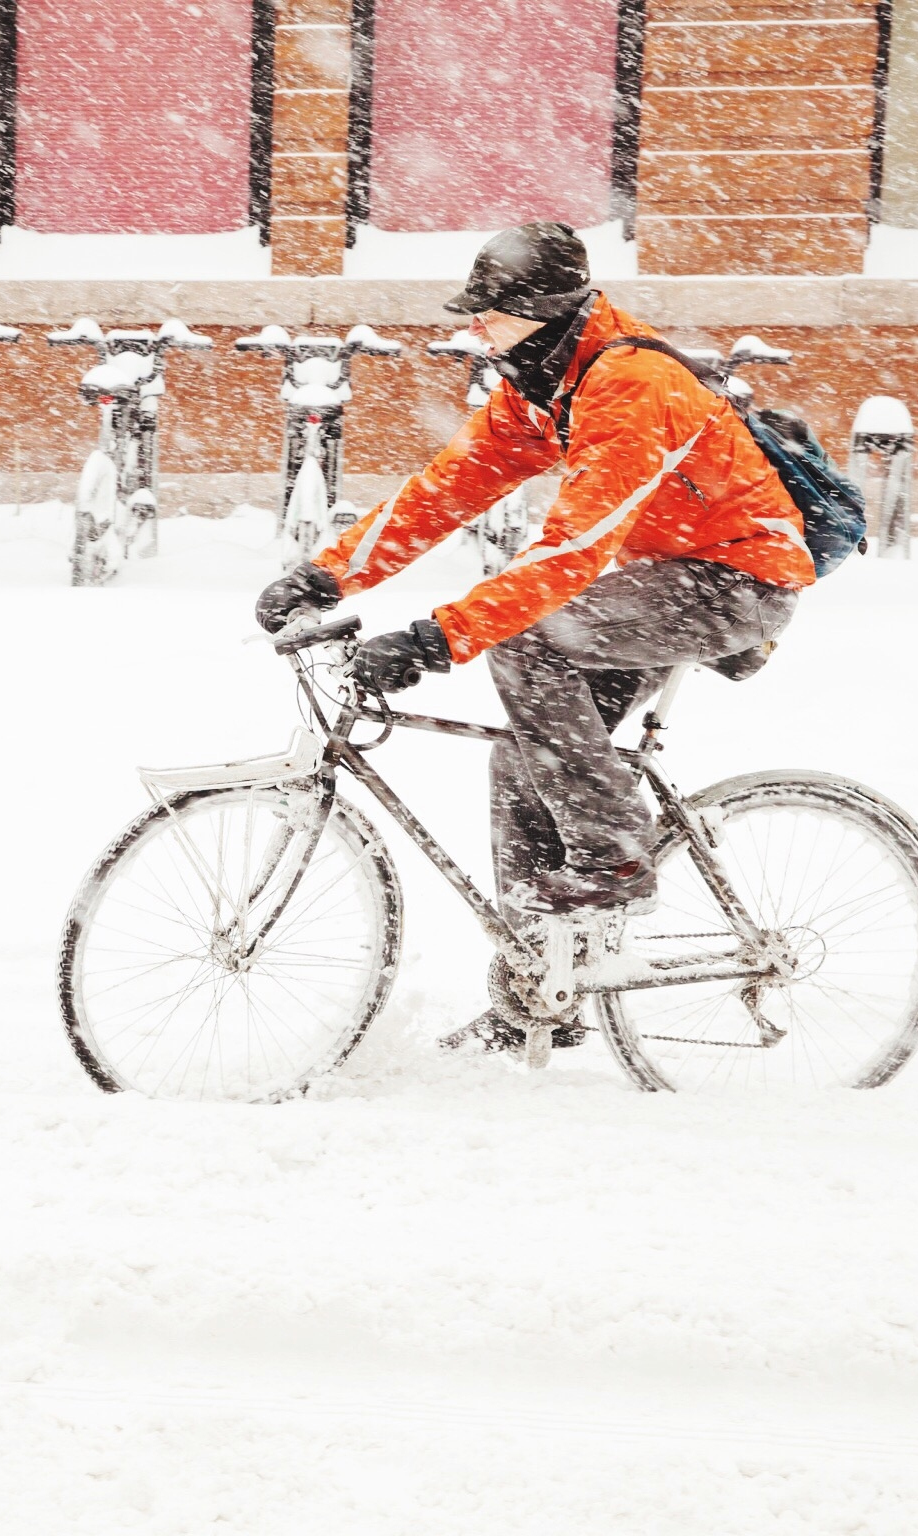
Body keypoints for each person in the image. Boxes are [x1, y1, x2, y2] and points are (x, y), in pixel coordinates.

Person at [253, 221, 813, 1052]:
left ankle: (615, 854)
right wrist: (329, 575)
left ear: (542, 313)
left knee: (527, 644)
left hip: (738, 580)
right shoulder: (543, 382)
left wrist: (435, 638)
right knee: (525, 755)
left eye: (490, 313)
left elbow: (571, 554)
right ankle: (537, 995)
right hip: (654, 581)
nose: (474, 328)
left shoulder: (628, 385)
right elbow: (444, 492)